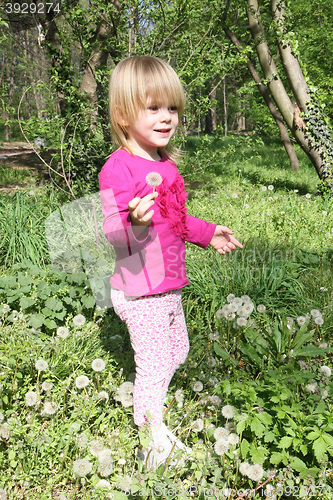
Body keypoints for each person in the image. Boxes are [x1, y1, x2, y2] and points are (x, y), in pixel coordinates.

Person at [99, 55, 243, 469]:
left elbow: (176, 220)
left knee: (177, 351)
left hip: (167, 284)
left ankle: (154, 413)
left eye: (173, 108)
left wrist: (207, 232)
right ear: (124, 115)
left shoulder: (168, 167)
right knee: (154, 363)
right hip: (139, 289)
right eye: (153, 108)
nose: (167, 118)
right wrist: (134, 222)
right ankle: (151, 442)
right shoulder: (117, 169)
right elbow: (112, 231)